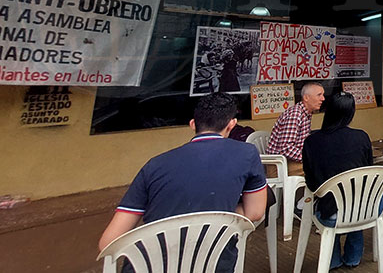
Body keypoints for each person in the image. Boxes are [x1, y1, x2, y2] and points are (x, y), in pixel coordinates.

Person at [98, 93, 267, 272]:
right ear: (232, 124)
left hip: (149, 267)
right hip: (215, 264)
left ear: (193, 124)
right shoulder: (246, 153)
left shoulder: (154, 165)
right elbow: (255, 212)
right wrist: (217, 213)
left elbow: (108, 242)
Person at [302, 91, 374, 269]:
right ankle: (353, 258)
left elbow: (311, 182)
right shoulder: (362, 137)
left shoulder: (312, 141)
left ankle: (332, 260)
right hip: (365, 210)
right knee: (359, 199)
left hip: (330, 214)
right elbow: (369, 171)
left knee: (333, 201)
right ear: (351, 113)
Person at [267, 82, 325, 174]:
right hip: (280, 166)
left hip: (290, 161)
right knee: (321, 167)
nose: (323, 99)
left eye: (323, 95)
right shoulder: (295, 115)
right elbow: (286, 148)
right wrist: (308, 158)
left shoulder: (306, 113)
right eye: (319, 95)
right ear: (306, 98)